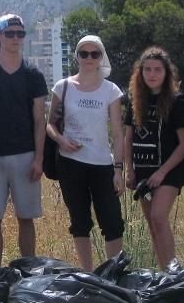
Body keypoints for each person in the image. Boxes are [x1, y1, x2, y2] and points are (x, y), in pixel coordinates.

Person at [0, 13, 48, 266]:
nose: (15, 38)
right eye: (10, 33)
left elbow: (39, 120)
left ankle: (29, 271)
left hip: (25, 155)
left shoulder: (34, 75)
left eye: (20, 33)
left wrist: (39, 159)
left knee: (26, 217)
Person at [46, 35, 125, 272]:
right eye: (84, 54)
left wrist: (119, 169)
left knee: (112, 222)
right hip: (71, 163)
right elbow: (49, 124)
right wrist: (61, 140)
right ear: (77, 57)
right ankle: (88, 273)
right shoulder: (64, 86)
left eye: (94, 54)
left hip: (102, 163)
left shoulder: (110, 90)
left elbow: (119, 133)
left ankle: (112, 274)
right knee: (80, 222)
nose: (89, 58)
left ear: (101, 57)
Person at [123, 46, 184, 269]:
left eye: (157, 70)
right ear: (140, 73)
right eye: (148, 69)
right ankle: (164, 275)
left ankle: (174, 273)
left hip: (168, 171)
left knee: (159, 216)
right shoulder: (135, 101)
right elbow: (128, 137)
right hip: (142, 170)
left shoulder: (176, 101)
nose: (152, 74)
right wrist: (129, 170)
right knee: (153, 225)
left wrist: (162, 173)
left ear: (166, 73)